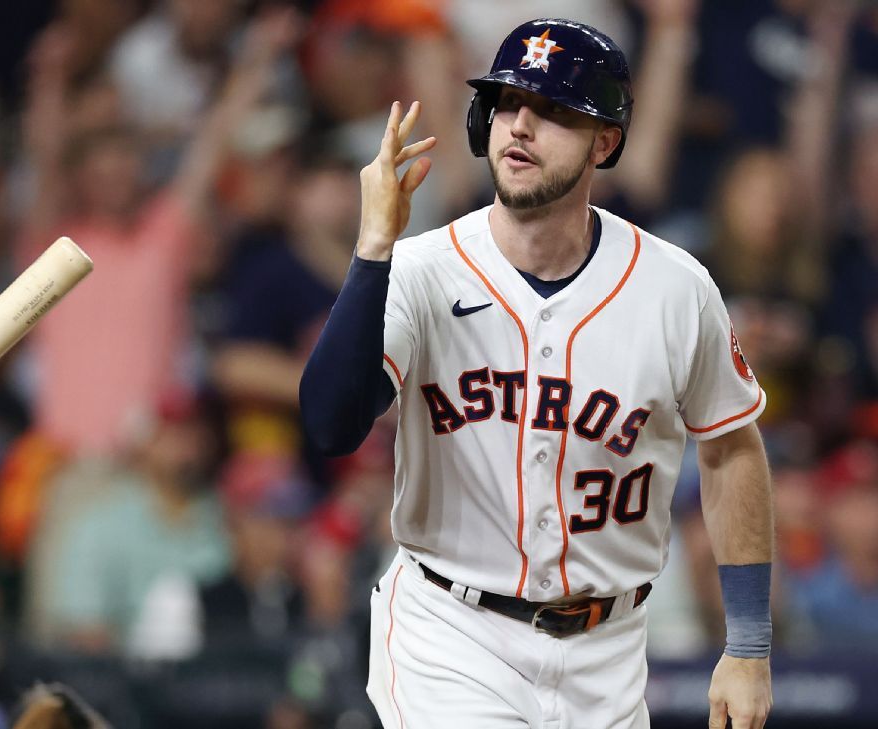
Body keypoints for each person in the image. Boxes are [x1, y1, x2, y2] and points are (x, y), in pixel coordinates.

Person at [299, 18, 775, 729]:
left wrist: (749, 644)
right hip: (452, 635)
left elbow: (732, 447)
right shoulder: (423, 271)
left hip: (611, 653)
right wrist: (373, 250)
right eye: (508, 103)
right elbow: (331, 425)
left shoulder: (674, 288)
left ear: (604, 142)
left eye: (554, 111)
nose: (521, 126)